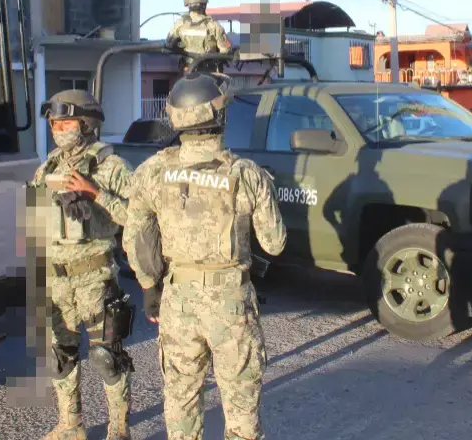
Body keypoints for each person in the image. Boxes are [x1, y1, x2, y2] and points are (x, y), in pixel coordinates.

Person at [123, 72, 287, 440]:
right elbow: (274, 243)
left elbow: (136, 236)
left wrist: (149, 286)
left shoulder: (153, 170)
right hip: (231, 302)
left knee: (181, 401)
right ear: (220, 115)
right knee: (241, 405)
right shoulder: (246, 174)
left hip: (178, 300)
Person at [31, 89, 136, 440]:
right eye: (54, 124)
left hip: (95, 278)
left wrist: (95, 194)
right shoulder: (47, 167)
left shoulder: (112, 166)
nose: (57, 129)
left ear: (86, 124)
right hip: (56, 280)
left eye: (65, 123)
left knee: (107, 358)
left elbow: (139, 217)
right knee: (60, 356)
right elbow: (34, 222)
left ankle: (118, 428)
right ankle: (70, 425)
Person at [166, 0, 233, 74]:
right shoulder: (214, 26)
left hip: (187, 71)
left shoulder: (179, 24)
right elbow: (226, 51)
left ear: (188, 5)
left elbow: (169, 44)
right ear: (204, 5)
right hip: (209, 73)